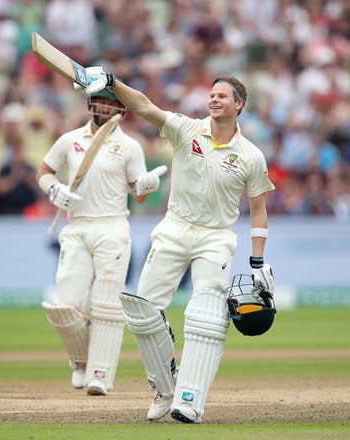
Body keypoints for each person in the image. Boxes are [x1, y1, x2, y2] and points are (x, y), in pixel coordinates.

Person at [75, 68, 276, 423]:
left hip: (215, 237)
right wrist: (112, 83)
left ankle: (190, 400)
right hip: (174, 229)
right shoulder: (187, 128)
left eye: (222, 96)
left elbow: (259, 210)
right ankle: (165, 388)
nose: (214, 99)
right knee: (141, 311)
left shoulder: (250, 155)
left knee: (206, 315)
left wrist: (258, 262)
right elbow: (146, 106)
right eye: (211, 94)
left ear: (239, 104)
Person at [36, 88, 166, 396]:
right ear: (91, 104)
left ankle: (100, 374)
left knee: (107, 305)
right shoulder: (70, 140)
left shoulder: (129, 146)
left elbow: (141, 193)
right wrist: (53, 189)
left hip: (113, 227)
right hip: (77, 227)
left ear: (122, 110)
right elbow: (44, 172)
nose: (107, 109)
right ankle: (81, 359)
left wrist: (148, 184)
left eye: (113, 104)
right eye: (102, 103)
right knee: (64, 307)